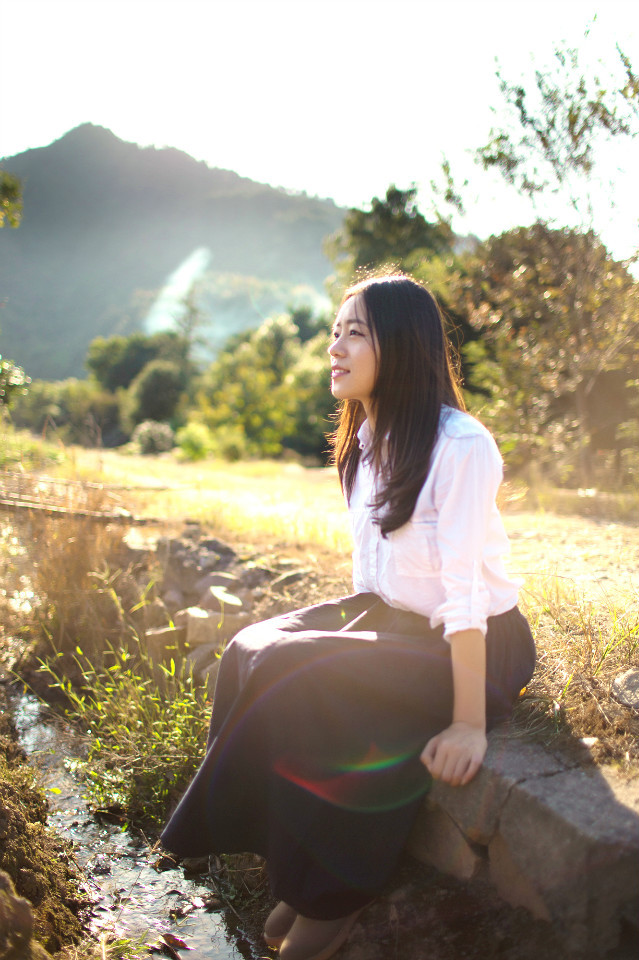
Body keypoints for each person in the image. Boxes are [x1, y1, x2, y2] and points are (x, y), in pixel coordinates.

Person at [160, 274, 535, 960]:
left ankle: (331, 901)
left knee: (292, 666)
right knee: (250, 645)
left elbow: (461, 593)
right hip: (396, 621)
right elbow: (375, 578)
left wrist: (466, 722)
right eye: (333, 332)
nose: (334, 347)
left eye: (354, 332)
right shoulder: (365, 440)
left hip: (477, 641)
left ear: (402, 344)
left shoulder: (460, 445)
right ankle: (292, 874)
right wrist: (348, 639)